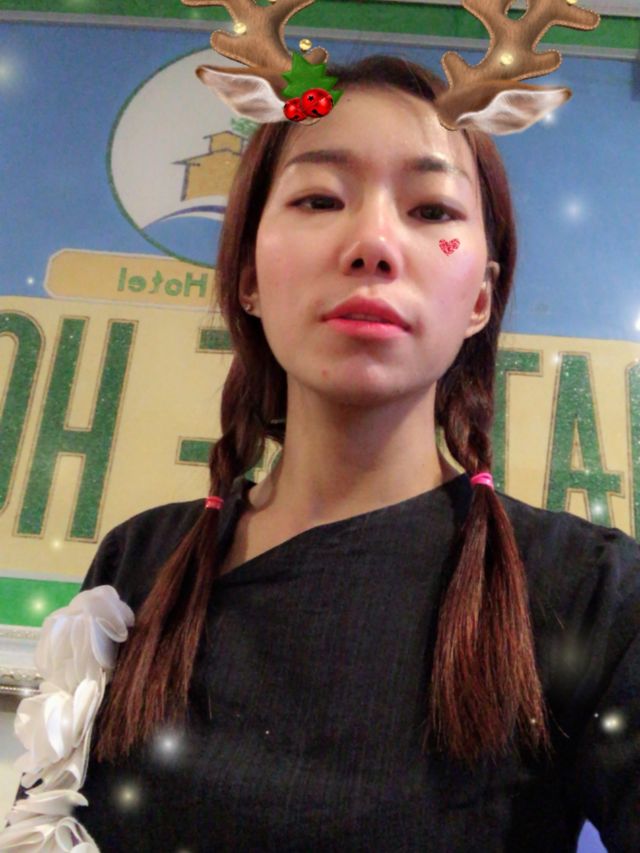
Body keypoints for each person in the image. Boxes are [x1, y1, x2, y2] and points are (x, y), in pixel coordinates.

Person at [2, 55, 639, 852]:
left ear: (480, 296)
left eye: (432, 209)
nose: (373, 242)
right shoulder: (139, 563)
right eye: (318, 199)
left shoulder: (589, 594)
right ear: (248, 276)